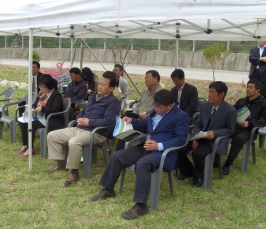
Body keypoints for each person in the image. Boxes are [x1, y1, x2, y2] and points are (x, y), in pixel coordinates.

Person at [90, 90, 189, 220]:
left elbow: (181, 139)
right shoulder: (155, 112)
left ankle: (141, 206)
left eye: (159, 108)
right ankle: (108, 189)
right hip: (145, 147)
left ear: (170, 106)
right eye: (155, 106)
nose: (156, 109)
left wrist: (159, 146)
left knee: (143, 163)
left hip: (163, 153)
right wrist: (131, 121)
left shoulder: (181, 116)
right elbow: (145, 125)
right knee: (118, 155)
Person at [46, 71, 121, 186]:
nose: (100, 86)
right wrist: (80, 117)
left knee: (73, 142)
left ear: (111, 88)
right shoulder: (93, 96)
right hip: (79, 128)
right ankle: (61, 165)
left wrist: (89, 122)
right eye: (100, 83)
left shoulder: (113, 102)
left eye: (104, 85)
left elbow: (109, 121)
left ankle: (74, 172)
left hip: (96, 133)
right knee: (52, 136)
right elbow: (84, 111)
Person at [178, 81, 237, 187]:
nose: (209, 95)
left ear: (221, 95)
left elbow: (230, 130)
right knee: (179, 147)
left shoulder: (230, 110)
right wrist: (196, 138)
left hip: (214, 141)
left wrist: (215, 133)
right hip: (200, 136)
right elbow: (198, 123)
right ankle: (188, 171)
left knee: (197, 154)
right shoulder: (205, 106)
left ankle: (199, 176)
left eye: (212, 92)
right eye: (209, 91)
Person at [222, 79, 266, 175]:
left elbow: (263, 121)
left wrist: (249, 124)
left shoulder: (263, 104)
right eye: (247, 87)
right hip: (236, 127)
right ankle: (215, 159)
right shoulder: (242, 101)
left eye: (251, 87)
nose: (248, 89)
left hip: (249, 131)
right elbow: (232, 112)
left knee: (238, 139)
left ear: (257, 90)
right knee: (221, 132)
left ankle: (227, 164)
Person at [17, 74, 64, 158]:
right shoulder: (41, 94)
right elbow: (35, 104)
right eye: (40, 87)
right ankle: (25, 144)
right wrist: (34, 108)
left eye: (44, 87)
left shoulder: (56, 96)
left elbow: (54, 110)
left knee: (30, 124)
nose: (42, 89)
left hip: (50, 119)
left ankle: (30, 148)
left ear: (49, 86)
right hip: (39, 117)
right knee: (22, 121)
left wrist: (42, 109)